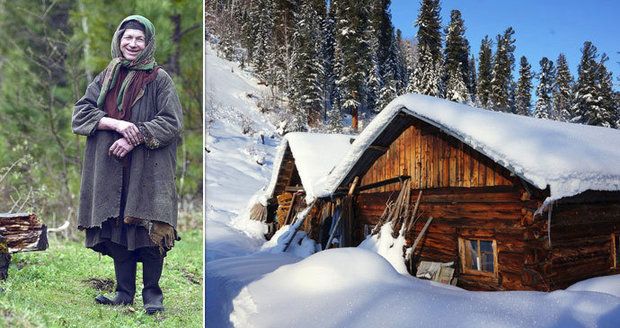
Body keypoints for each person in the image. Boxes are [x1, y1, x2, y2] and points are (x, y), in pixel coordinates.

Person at [72, 15, 183, 315]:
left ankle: (152, 295)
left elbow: (171, 122)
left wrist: (136, 137)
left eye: (139, 39)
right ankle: (123, 293)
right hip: (112, 169)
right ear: (119, 41)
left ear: (148, 44)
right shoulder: (106, 77)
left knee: (149, 225)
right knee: (118, 226)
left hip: (148, 166)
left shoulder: (159, 79)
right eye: (127, 38)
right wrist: (114, 124)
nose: (132, 44)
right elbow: (80, 114)